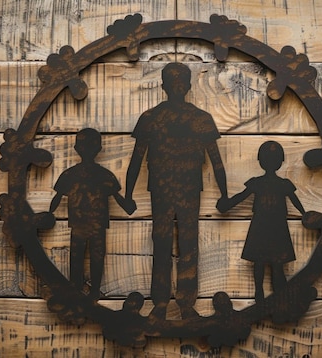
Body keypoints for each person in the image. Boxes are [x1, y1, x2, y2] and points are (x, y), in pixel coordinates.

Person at [124, 63, 228, 319]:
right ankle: (180, 305)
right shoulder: (200, 119)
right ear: (188, 86)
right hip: (184, 188)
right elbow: (216, 161)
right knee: (186, 244)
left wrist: (127, 195)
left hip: (168, 189)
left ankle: (168, 305)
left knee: (165, 243)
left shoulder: (151, 118)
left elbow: (137, 160)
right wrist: (224, 193)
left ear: (164, 86)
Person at [49, 128, 134, 300]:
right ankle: (90, 290)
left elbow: (56, 198)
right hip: (94, 224)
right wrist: (128, 207)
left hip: (83, 224)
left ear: (76, 148)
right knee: (94, 256)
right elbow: (118, 197)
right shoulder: (104, 175)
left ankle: (79, 288)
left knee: (79, 256)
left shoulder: (70, 174)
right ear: (99, 149)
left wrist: (48, 213)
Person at [217, 140, 305, 303]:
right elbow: (295, 202)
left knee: (265, 262)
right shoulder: (276, 184)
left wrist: (228, 204)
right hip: (267, 226)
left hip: (269, 226)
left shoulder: (267, 183)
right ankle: (265, 294)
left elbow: (241, 197)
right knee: (267, 262)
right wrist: (304, 214)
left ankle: (269, 294)